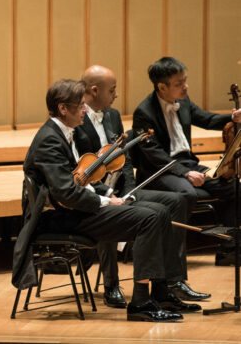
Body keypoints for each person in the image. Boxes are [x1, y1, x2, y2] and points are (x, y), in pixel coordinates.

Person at [24, 79, 200, 322]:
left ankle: (161, 292)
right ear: (63, 109)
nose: (85, 110)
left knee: (160, 211)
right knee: (149, 218)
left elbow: (81, 176)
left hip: (74, 211)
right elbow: (66, 193)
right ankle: (140, 302)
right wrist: (107, 203)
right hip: (59, 218)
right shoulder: (49, 140)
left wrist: (108, 193)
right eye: (81, 106)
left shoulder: (64, 132)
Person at [75, 65, 209, 305]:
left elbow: (123, 158)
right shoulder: (77, 119)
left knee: (176, 201)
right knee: (114, 213)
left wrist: (128, 191)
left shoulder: (113, 115)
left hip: (121, 188)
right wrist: (109, 195)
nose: (117, 95)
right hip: (94, 195)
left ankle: (172, 281)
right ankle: (111, 285)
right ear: (95, 90)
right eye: (113, 90)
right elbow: (78, 171)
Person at [132, 57, 241, 265]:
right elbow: (154, 154)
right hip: (161, 171)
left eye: (185, 80)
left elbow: (206, 119)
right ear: (162, 87)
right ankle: (174, 258)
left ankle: (228, 249)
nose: (185, 86)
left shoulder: (184, 101)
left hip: (187, 164)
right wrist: (184, 173)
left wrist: (232, 118)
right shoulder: (144, 112)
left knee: (233, 187)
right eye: (179, 83)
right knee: (186, 193)